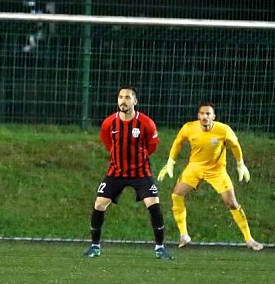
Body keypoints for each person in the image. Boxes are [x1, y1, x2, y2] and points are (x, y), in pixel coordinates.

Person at [158, 102, 264, 251]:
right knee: (176, 195)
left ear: (214, 116)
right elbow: (178, 142)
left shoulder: (223, 130)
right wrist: (170, 162)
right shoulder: (189, 128)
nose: (204, 117)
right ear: (198, 115)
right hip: (195, 167)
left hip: (217, 170)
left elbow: (235, 145)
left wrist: (240, 164)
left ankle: (249, 239)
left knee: (232, 203)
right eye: (202, 113)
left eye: (208, 114)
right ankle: (184, 235)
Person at [84, 86, 172, 260]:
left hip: (141, 172)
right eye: (120, 97)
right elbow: (107, 142)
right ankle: (95, 246)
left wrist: (138, 158)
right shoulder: (110, 122)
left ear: (135, 101)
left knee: (154, 206)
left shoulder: (146, 123)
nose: (123, 101)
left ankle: (160, 248)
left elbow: (152, 145)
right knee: (99, 204)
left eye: (128, 97)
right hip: (116, 172)